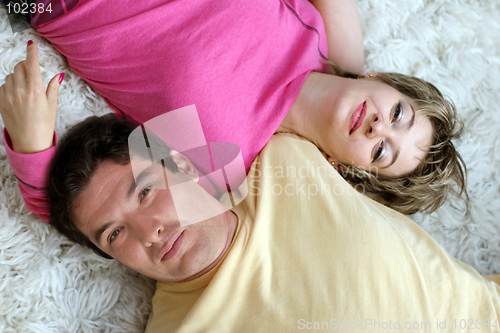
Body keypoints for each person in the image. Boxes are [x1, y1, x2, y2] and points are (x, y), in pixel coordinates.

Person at [0, 0, 465, 219]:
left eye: (382, 152)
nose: (379, 127)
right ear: (384, 82)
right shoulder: (319, 33)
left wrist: (31, 143)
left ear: (352, 171)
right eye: (400, 114)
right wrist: (349, 60)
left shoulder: (228, 165)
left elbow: (89, 211)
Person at [48, 114, 497, 332]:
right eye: (115, 234)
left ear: (182, 164)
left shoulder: (284, 156)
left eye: (144, 192)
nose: (149, 233)